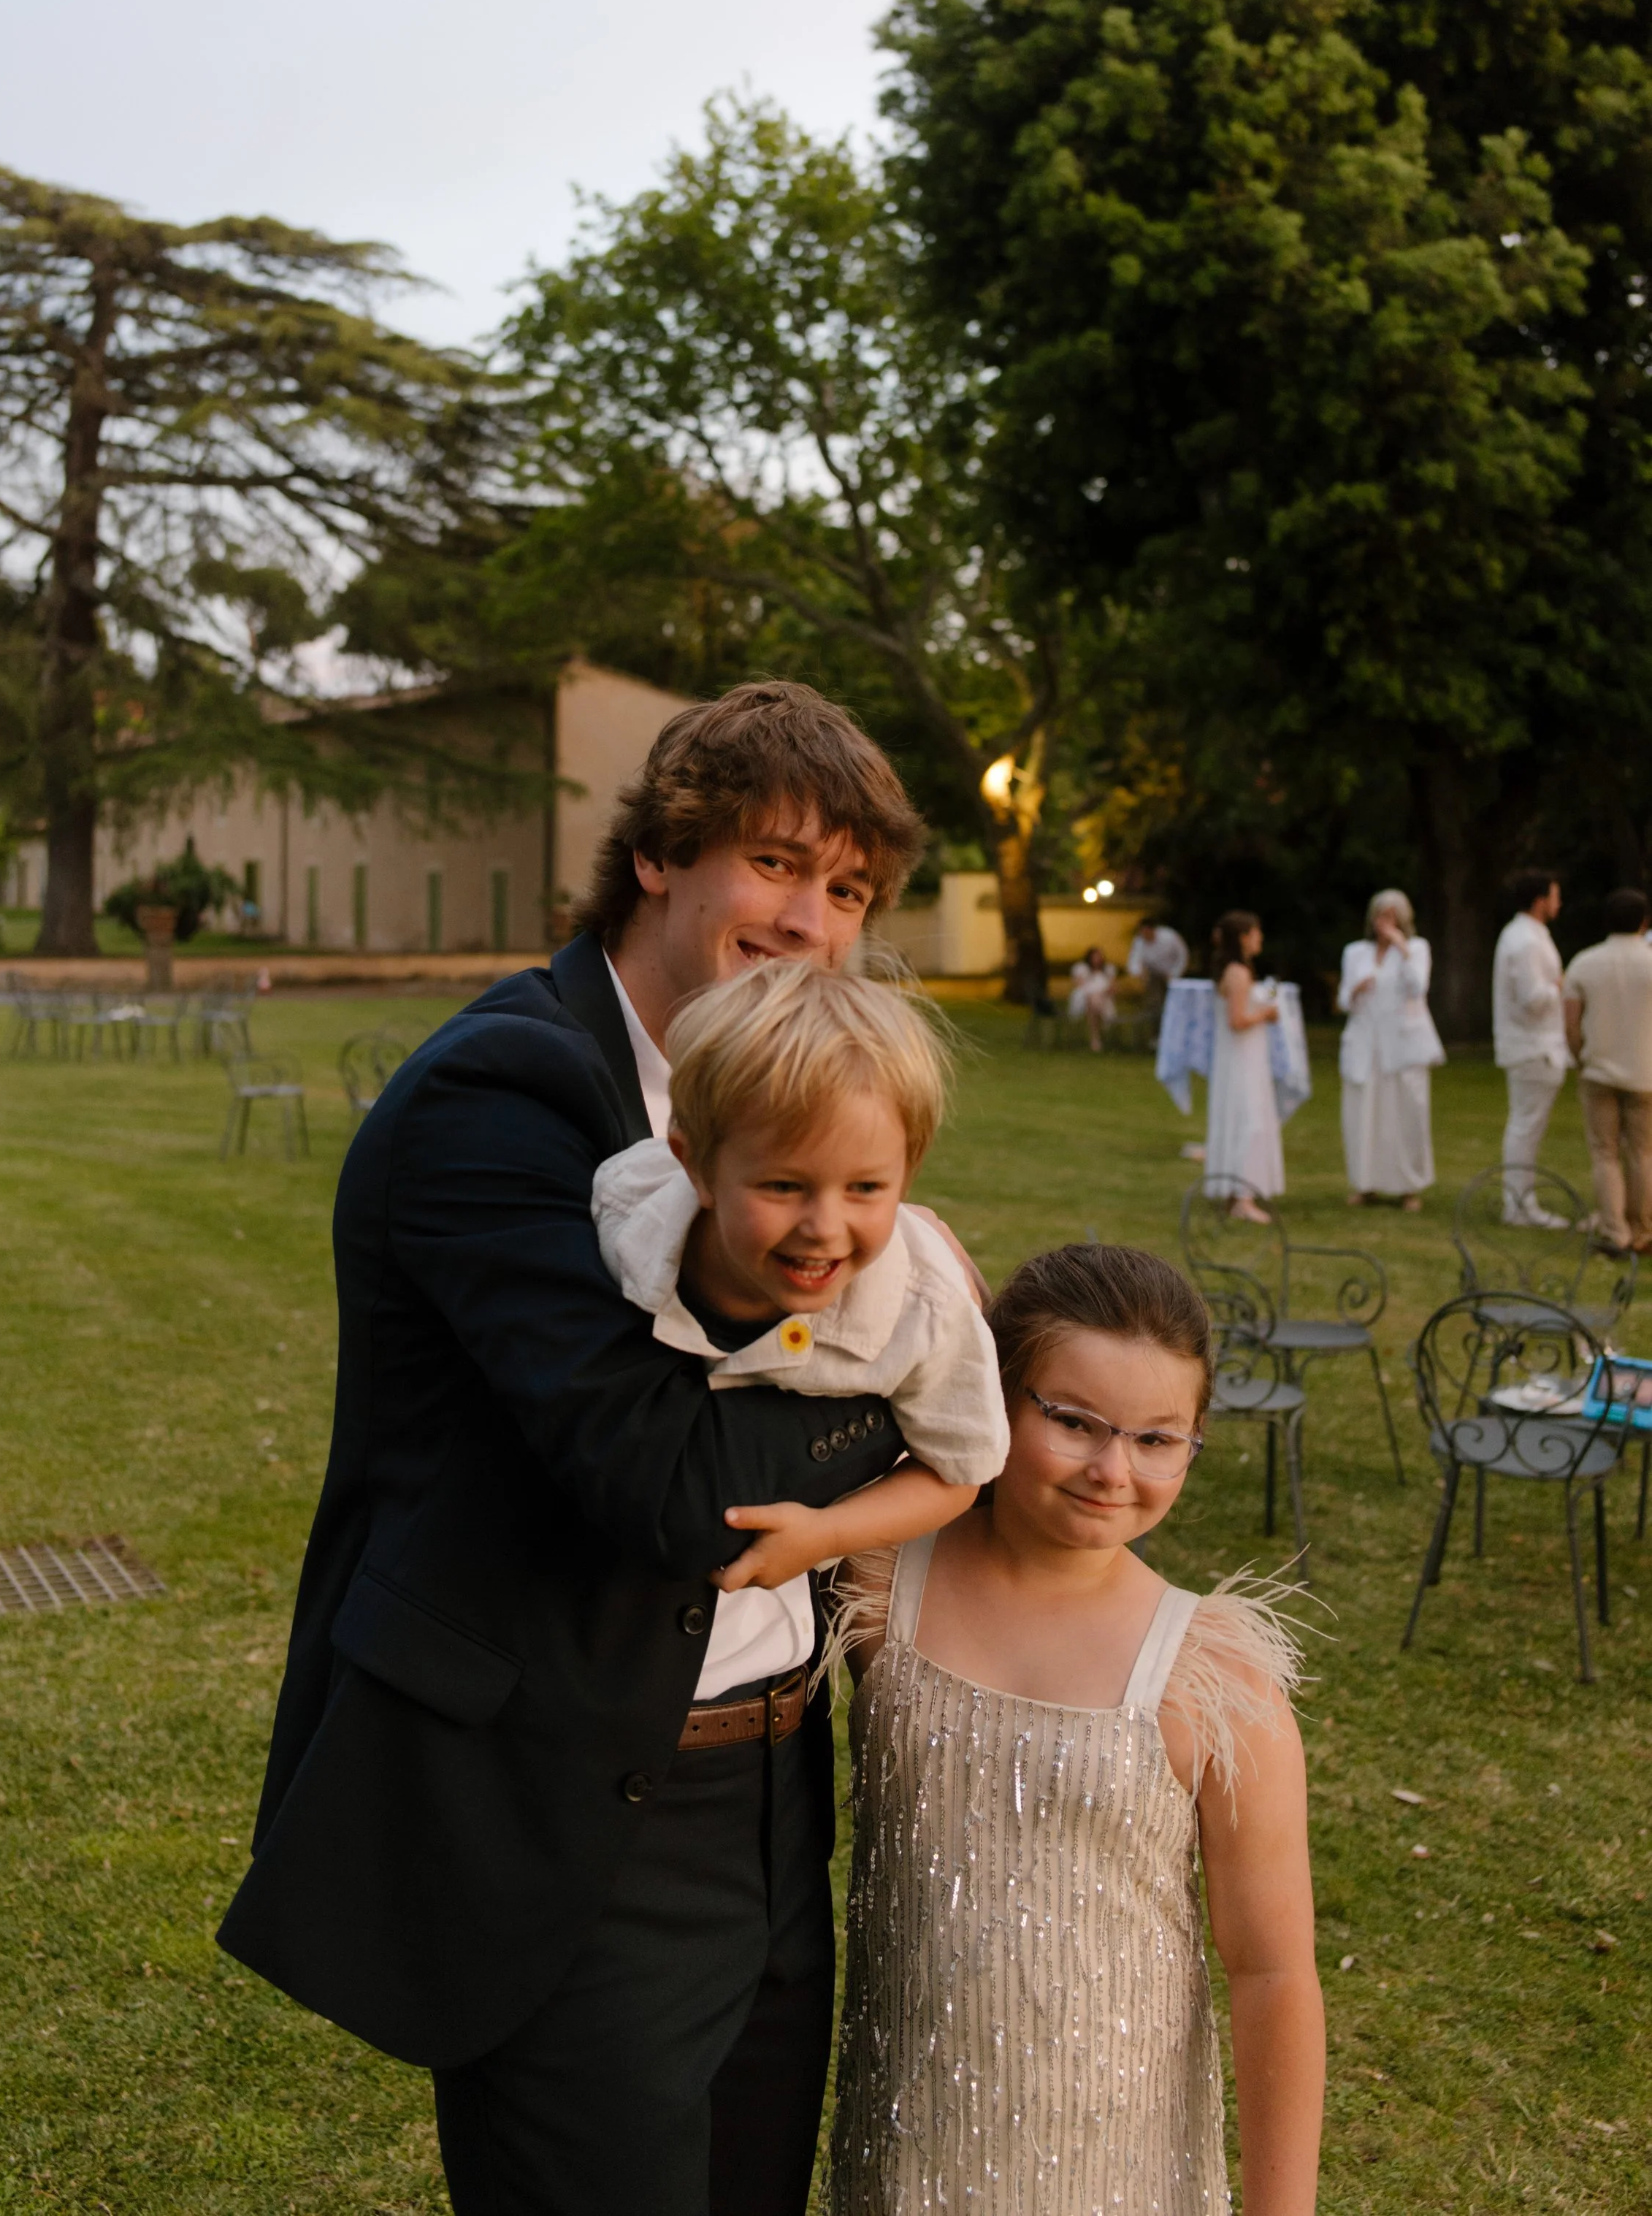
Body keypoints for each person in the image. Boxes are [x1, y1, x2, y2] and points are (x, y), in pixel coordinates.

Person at [218, 681, 930, 2216]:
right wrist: (922, 1389)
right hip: (574, 1813)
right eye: (775, 863)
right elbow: (668, 1480)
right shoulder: (509, 1090)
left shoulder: (788, 1103)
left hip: (772, 1795)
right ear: (663, 856)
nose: (809, 918)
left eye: (848, 889)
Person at [832, 1241, 1323, 2216]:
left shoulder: (1213, 1678)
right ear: (997, 1394)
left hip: (1119, 2165)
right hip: (909, 2144)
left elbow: (1273, 1971)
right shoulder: (881, 1582)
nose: (1112, 1468)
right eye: (1072, 1420)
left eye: (1157, 1438)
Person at [592, 963, 1009, 1594]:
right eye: (784, 1186)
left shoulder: (927, 1311)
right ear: (696, 1167)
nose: (824, 1226)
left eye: (866, 1188)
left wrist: (829, 1533)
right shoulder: (625, 1214)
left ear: (908, 1171)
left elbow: (959, 1470)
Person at [1336, 889, 1445, 1211]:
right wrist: (1355, 989)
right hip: (1365, 1043)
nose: (1386, 922)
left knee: (1406, 1114)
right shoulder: (1356, 952)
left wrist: (1400, 944)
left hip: (1402, 1046)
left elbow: (1418, 986)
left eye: (1394, 916)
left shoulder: (1416, 949)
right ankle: (1365, 1184)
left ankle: (1408, 1187)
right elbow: (1342, 1000)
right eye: (1382, 915)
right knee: (1363, 1115)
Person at [1564, 886, 1652, 1256]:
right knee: (1644, 1152)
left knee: (1604, 1152)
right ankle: (1644, 1229)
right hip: (1645, 1072)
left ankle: (1615, 1230)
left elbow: (1571, 1023)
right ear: (1644, 922)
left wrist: (1581, 1055)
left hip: (1598, 1070)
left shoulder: (1584, 963)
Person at [1492, 868, 1570, 1224]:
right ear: (1541, 902)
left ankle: (1521, 1201)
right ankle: (1520, 1206)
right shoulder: (1526, 941)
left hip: (1535, 1045)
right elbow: (1532, 999)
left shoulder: (1528, 936)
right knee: (1525, 1127)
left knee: (1527, 1127)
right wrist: (1560, 985)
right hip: (1533, 1046)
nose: (1560, 903)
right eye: (1556, 896)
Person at [1206, 909, 1283, 1223]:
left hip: (1241, 1057)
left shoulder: (1236, 970)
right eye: (1256, 933)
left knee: (1239, 1119)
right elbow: (1237, 1020)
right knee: (1248, 1122)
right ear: (1243, 937)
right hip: (1242, 1059)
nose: (1260, 938)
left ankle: (1234, 1191)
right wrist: (1266, 1014)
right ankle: (1243, 1196)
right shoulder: (1238, 973)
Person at [1067, 944, 1120, 1050]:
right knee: (1092, 1000)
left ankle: (1095, 1039)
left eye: (1099, 956)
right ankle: (1103, 1024)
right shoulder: (1082, 969)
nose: (1098, 959)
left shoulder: (1108, 970)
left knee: (1094, 1002)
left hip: (1104, 999)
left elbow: (1113, 988)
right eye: (1095, 957)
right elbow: (1079, 984)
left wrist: (1102, 992)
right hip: (1085, 999)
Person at [1128, 915, 1190, 1001]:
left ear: (1152, 929)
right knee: (1154, 999)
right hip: (1153, 974)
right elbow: (1134, 960)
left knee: (1174, 998)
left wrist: (1176, 973)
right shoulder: (1139, 941)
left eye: (1146, 931)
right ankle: (1155, 1012)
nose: (1144, 934)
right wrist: (1139, 972)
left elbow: (1183, 955)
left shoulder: (1169, 937)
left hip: (1172, 971)